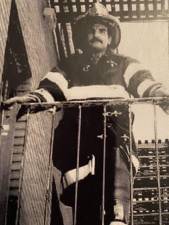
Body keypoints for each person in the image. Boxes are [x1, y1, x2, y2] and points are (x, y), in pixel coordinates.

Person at [4, 2, 169, 225]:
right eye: (91, 30)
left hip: (113, 131)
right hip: (77, 135)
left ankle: (118, 218)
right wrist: (33, 99)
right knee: (83, 188)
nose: (96, 34)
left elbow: (143, 82)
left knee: (115, 166)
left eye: (102, 30)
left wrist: (160, 94)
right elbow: (53, 87)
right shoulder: (69, 65)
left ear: (110, 38)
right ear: (82, 37)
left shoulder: (123, 64)